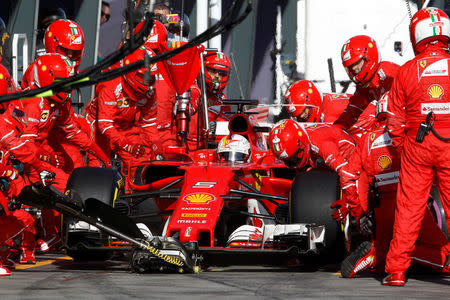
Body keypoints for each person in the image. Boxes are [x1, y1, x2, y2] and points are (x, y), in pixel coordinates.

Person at [332, 94, 450, 279]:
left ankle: (376, 256)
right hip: (411, 209)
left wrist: (359, 214)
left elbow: (349, 177)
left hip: (381, 213)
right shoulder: (410, 134)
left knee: (385, 267)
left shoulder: (365, 140)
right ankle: (401, 253)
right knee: (447, 258)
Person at [383, 7, 450, 286]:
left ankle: (397, 271)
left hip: (417, 145)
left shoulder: (407, 70)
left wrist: (402, 147)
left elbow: (394, 118)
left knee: (409, 209)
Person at [20, 53, 111, 250]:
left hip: (31, 156)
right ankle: (37, 237)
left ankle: (53, 235)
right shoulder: (33, 102)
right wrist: (43, 160)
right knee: (51, 183)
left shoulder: (59, 102)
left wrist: (97, 151)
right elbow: (22, 145)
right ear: (48, 78)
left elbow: (73, 131)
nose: (68, 88)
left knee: (66, 184)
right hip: (17, 158)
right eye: (63, 83)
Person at [85, 44, 158, 171]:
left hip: (125, 126)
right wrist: (127, 145)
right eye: (144, 77)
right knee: (98, 169)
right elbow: (104, 125)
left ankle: (131, 190)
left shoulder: (150, 92)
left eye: (150, 78)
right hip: (98, 128)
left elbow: (149, 124)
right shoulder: (109, 85)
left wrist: (158, 147)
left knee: (141, 164)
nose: (147, 83)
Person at [335, 35, 399, 138]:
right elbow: (352, 112)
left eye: (357, 63)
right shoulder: (365, 85)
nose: (354, 69)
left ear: (369, 57)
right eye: (350, 66)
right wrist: (334, 131)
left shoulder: (388, 73)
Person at [268, 119, 355, 191]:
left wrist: (349, 202)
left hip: (351, 162)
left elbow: (347, 174)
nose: (294, 161)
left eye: (295, 157)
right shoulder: (303, 141)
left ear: (300, 143)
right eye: (289, 160)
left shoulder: (323, 145)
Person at [284, 80, 350, 123]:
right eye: (298, 115)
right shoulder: (324, 102)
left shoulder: (330, 117)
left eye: (303, 110)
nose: (301, 116)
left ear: (312, 101)